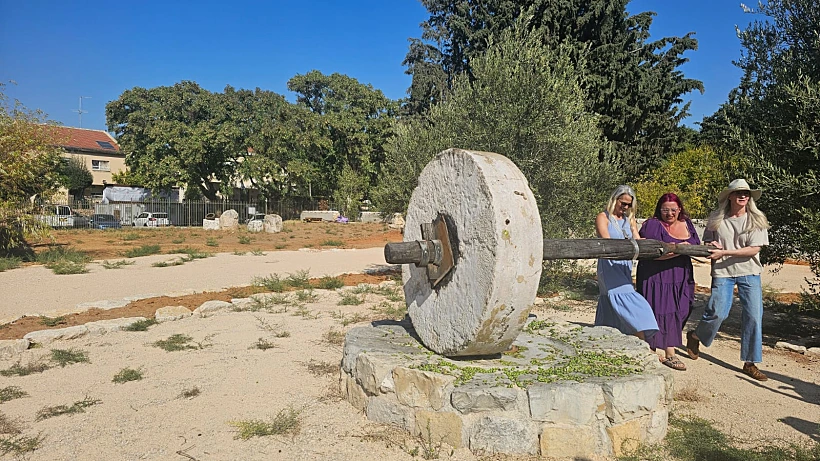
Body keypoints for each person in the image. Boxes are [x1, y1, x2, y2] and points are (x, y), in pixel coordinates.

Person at [686, 179, 771, 381]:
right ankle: (696, 336)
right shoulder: (717, 218)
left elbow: (754, 250)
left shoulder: (756, 220)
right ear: (730, 196)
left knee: (753, 316)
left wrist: (724, 251)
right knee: (718, 312)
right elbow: (708, 242)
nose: (743, 196)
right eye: (739, 192)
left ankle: (750, 363)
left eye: (746, 193)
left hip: (749, 272)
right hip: (723, 272)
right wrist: (711, 244)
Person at [637, 193, 701, 371]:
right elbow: (649, 254)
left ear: (679, 209)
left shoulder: (687, 223)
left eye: (673, 209)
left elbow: (696, 244)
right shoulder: (652, 225)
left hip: (680, 274)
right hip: (655, 275)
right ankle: (664, 352)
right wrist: (680, 250)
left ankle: (665, 347)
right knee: (656, 310)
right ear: (659, 209)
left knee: (682, 307)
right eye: (665, 209)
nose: (670, 213)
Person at [594, 185, 659, 340]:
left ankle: (607, 337)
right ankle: (642, 338)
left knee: (612, 298)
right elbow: (606, 241)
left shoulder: (629, 220)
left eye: (628, 204)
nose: (625, 207)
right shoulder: (603, 217)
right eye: (622, 203)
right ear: (614, 200)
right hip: (609, 264)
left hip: (625, 265)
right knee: (625, 295)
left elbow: (637, 239)